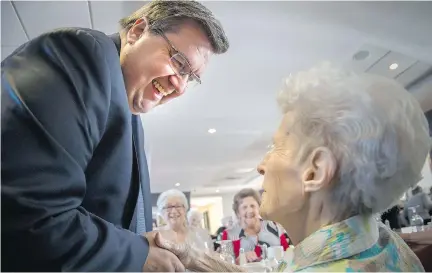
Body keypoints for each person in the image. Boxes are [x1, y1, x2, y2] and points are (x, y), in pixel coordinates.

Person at [1, 0, 229, 271]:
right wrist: (138, 254)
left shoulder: (130, 116)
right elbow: (31, 214)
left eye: (190, 77)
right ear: (137, 31)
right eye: (178, 62)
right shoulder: (82, 56)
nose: (179, 85)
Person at [152, 64, 429, 272]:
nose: (262, 166)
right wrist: (195, 257)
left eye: (276, 147)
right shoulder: (384, 242)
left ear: (315, 171)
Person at [220, 188, 289, 263]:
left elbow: (288, 256)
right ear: (238, 213)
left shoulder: (274, 227)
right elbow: (226, 265)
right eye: (244, 207)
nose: (250, 210)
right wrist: (239, 260)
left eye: (252, 206)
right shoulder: (229, 234)